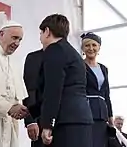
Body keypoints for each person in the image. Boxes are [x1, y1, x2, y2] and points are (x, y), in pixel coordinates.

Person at [29, 14, 93, 147]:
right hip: (81, 120)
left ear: (47, 32)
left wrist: (47, 124)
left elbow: (53, 89)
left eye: (41, 33)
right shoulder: (72, 53)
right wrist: (31, 110)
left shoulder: (54, 50)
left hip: (65, 122)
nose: (40, 39)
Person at [81, 32, 113, 147]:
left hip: (101, 114)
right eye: (87, 45)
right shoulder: (79, 66)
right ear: (83, 48)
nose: (91, 48)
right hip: (86, 112)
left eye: (94, 45)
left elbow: (106, 94)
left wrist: (110, 116)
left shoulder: (104, 68)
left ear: (99, 47)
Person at [23, 49, 44, 147]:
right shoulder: (34, 58)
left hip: (65, 122)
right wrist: (31, 121)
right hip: (40, 120)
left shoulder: (69, 57)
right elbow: (29, 90)